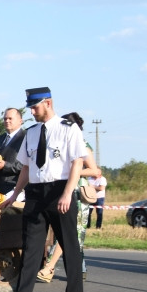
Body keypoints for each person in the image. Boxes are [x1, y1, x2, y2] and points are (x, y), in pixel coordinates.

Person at [0, 88, 86, 292]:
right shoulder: (31, 132)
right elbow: (26, 167)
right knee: (31, 246)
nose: (32, 110)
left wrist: (68, 193)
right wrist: (16, 194)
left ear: (48, 103)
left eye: (35, 106)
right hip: (36, 192)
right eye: (29, 106)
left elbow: (77, 163)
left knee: (69, 244)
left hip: (59, 190)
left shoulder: (68, 128)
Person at [35, 112, 100, 282]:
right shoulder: (57, 143)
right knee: (66, 236)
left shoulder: (83, 145)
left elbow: (95, 171)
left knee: (70, 234)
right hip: (59, 191)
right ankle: (80, 269)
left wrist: (73, 171)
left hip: (76, 194)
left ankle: (49, 268)